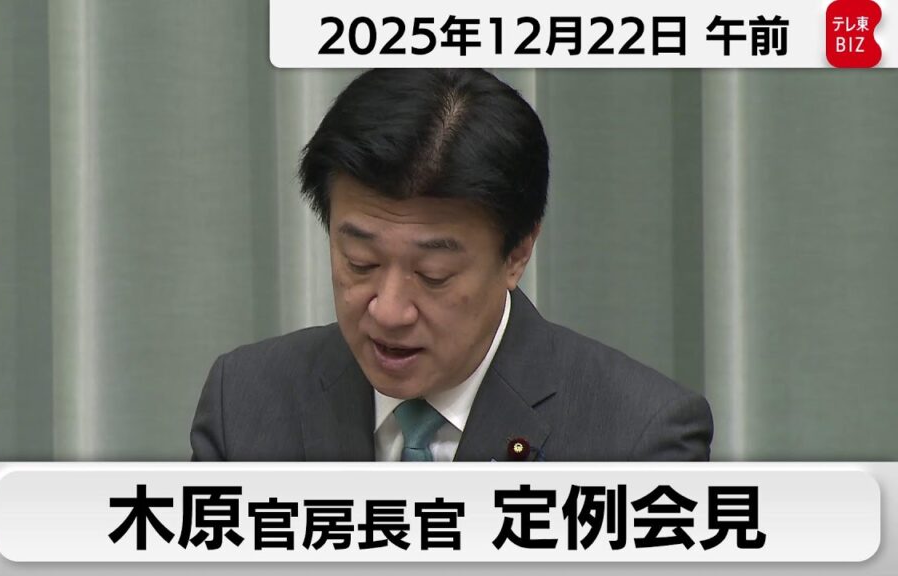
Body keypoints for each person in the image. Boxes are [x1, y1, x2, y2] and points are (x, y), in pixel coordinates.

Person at [190, 68, 713, 462]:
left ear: (517, 254)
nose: (389, 311)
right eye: (360, 262)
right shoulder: (246, 402)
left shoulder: (638, 437)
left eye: (432, 275)